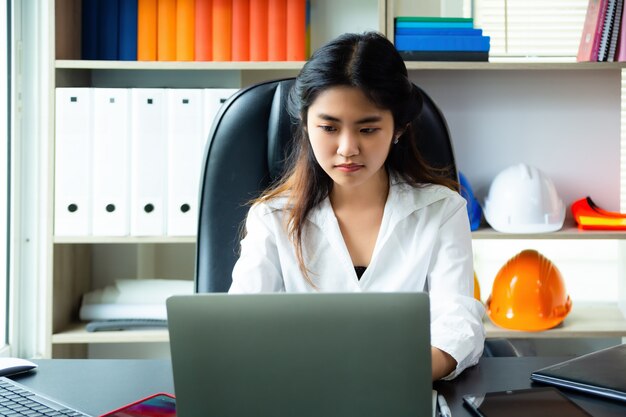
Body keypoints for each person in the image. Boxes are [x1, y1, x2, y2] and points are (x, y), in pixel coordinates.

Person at [229, 31, 485, 380]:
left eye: (367, 130)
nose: (347, 147)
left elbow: (458, 319)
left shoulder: (442, 211)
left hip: (402, 387)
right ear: (305, 125)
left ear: (398, 129)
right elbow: (238, 327)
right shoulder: (271, 219)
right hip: (298, 390)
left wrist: (414, 368)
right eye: (329, 127)